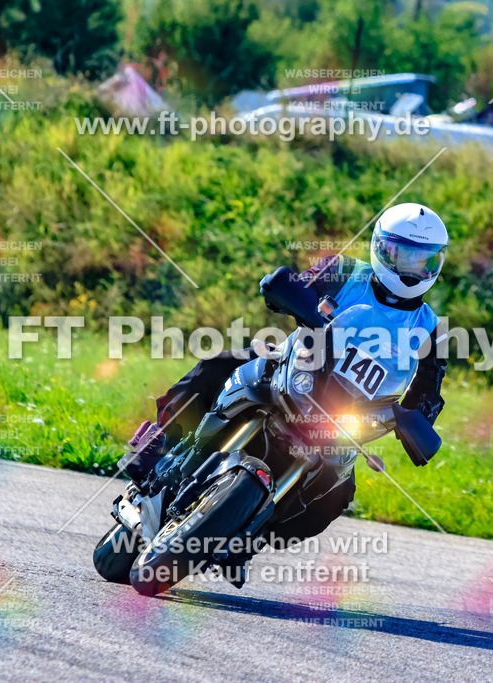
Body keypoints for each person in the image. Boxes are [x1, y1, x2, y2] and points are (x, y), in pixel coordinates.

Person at [124, 202, 449, 544]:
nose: (412, 268)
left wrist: (412, 419)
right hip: (295, 369)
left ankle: (251, 537)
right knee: (219, 366)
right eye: (403, 255)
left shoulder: (431, 329)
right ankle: (161, 443)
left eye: (423, 259)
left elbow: (429, 393)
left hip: (346, 421)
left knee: (337, 496)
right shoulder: (347, 273)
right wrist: (290, 293)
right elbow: (299, 285)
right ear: (381, 248)